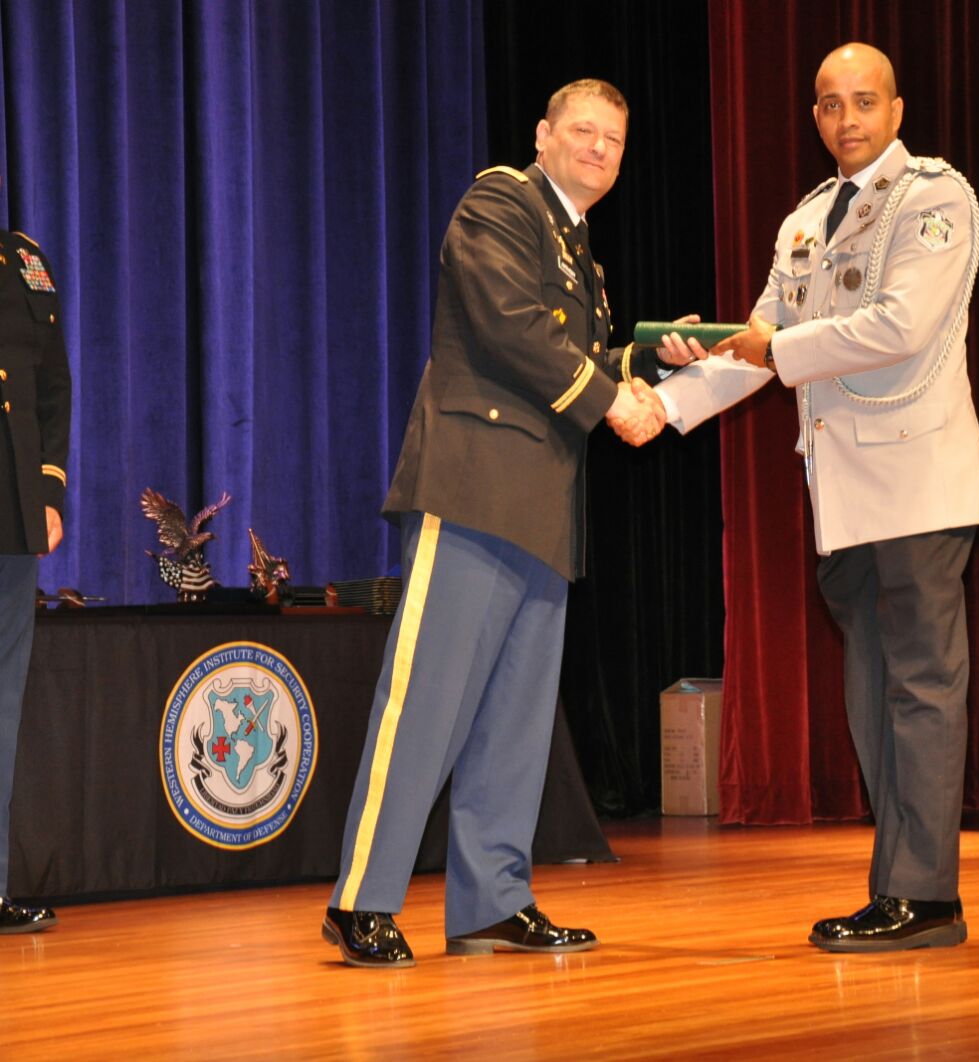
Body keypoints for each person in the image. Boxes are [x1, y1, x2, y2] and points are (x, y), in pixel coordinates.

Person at [322, 78, 677, 967]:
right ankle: (362, 900)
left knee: (513, 719)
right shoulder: (502, 201)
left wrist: (653, 359)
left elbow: (576, 353)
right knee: (425, 702)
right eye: (583, 131)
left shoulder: (579, 248)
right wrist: (610, 400)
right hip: (475, 487)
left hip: (544, 504)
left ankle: (492, 900)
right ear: (543, 134)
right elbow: (513, 325)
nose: (598, 149)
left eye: (614, 140)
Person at [657, 43, 979, 951]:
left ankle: (927, 898)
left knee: (922, 688)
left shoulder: (935, 197)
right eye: (831, 105)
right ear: (815, 117)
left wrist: (769, 348)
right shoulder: (806, 220)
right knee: (873, 693)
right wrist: (664, 403)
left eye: (864, 101)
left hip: (919, 487)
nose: (847, 119)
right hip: (842, 495)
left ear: (896, 109)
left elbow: (898, 326)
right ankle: (897, 890)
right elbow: (760, 337)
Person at [0, 210, 72, 934]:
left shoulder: (24, 263)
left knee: (2, 706)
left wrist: (48, 491)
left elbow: (52, 386)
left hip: (12, 515)